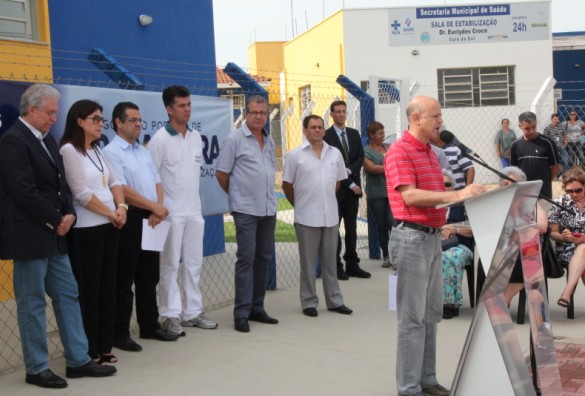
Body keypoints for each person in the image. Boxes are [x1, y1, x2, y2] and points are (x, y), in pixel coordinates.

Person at [0, 84, 116, 388]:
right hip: (30, 236)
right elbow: (23, 190)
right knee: (32, 302)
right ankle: (36, 367)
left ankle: (78, 359)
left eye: (55, 112)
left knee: (68, 294)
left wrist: (69, 214)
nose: (54, 117)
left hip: (56, 235)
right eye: (50, 112)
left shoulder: (48, 141)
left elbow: (61, 185)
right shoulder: (13, 141)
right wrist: (56, 220)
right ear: (32, 109)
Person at [385, 95, 486, 396]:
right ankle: (408, 387)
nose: (441, 122)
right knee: (412, 318)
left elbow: (441, 191)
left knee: (431, 315)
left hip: (432, 237)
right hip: (412, 238)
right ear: (416, 118)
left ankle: (426, 380)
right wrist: (456, 196)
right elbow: (410, 197)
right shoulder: (399, 151)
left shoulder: (431, 152)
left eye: (440, 116)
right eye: (435, 116)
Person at [103, 102, 178, 351]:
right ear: (118, 122)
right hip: (129, 218)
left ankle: (149, 325)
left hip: (151, 217)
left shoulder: (142, 151)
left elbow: (157, 181)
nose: (138, 124)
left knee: (149, 276)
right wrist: (153, 208)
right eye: (133, 120)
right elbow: (122, 189)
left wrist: (157, 207)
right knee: (124, 279)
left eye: (139, 120)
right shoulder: (112, 152)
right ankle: (120, 332)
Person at [60, 99, 126, 365]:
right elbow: (82, 194)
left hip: (110, 226)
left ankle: (104, 344)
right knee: (89, 289)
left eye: (101, 119)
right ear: (79, 121)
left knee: (108, 287)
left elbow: (115, 181)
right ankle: (89, 349)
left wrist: (121, 207)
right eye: (95, 119)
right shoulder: (69, 150)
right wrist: (111, 213)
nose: (101, 124)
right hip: (88, 230)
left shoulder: (97, 151)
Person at [147, 85, 218, 337]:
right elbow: (150, 178)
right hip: (170, 215)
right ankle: (170, 315)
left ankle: (192, 312)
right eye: (181, 105)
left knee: (193, 264)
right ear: (168, 109)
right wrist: (157, 209)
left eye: (189, 105)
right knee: (169, 266)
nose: (187, 110)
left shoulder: (196, 137)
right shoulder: (159, 140)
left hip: (193, 213)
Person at [215, 94, 279, 333]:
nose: (259, 117)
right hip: (245, 209)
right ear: (246, 113)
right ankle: (241, 312)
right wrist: (237, 197)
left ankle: (257, 308)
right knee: (246, 258)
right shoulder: (235, 139)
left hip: (267, 208)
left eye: (263, 113)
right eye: (254, 113)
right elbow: (222, 173)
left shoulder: (268, 140)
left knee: (264, 257)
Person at [282, 115, 353, 317]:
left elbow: (338, 182)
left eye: (320, 127)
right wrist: (300, 204)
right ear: (305, 130)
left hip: (330, 216)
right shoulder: (295, 155)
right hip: (306, 217)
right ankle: (309, 302)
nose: (317, 130)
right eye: (312, 127)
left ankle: (335, 301)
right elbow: (287, 185)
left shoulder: (335, 154)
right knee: (308, 263)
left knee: (331, 261)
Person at [323, 100, 370, 280]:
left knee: (352, 228)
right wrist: (347, 179)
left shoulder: (353, 133)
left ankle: (352, 263)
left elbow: (359, 157)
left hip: (353, 190)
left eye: (344, 111)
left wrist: (349, 171)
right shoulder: (326, 136)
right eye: (338, 112)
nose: (342, 114)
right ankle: (336, 266)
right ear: (332, 115)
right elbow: (331, 163)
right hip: (336, 189)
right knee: (335, 229)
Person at [497, 166, 548, 306]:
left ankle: (504, 299)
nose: (510, 187)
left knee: (526, 258)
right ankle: (500, 300)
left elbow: (543, 227)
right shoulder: (498, 204)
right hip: (503, 249)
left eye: (514, 184)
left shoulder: (532, 203)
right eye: (506, 183)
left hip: (529, 248)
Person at [439, 170, 474, 320]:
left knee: (449, 257)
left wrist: (454, 228)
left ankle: (447, 304)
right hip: (436, 244)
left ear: (453, 187)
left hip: (461, 246)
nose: (443, 187)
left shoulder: (463, 205)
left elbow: (473, 230)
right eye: (440, 184)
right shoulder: (431, 205)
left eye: (447, 184)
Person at [548, 168, 585, 308]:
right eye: (569, 191)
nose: (574, 194)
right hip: (566, 248)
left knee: (583, 248)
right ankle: (567, 293)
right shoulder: (560, 202)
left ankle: (566, 293)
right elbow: (552, 233)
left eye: (578, 190)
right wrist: (563, 237)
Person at [363, 121, 394, 268]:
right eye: (380, 133)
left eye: (383, 132)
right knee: (382, 224)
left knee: (393, 222)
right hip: (377, 193)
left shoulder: (388, 147)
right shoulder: (366, 151)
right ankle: (386, 254)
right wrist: (389, 167)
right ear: (371, 135)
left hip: (392, 191)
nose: (383, 136)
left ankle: (396, 254)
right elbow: (371, 168)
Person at [510, 111, 561, 199]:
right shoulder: (515, 145)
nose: (531, 131)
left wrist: (545, 182)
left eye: (534, 127)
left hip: (543, 194)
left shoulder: (548, 143)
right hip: (523, 194)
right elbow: (514, 170)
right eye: (527, 128)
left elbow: (555, 167)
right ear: (520, 126)